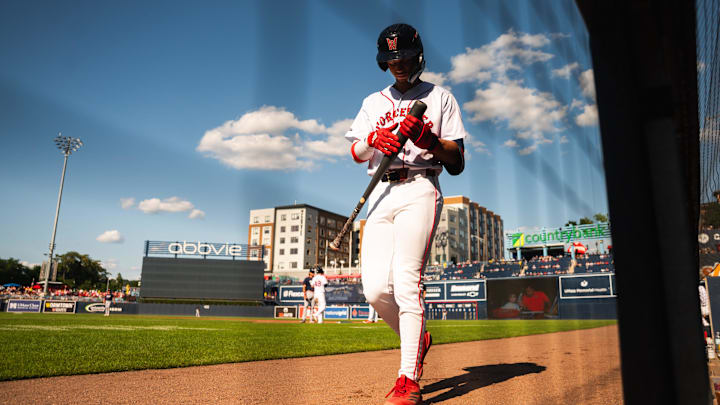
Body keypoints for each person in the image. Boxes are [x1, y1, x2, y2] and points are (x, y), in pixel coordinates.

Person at [344, 23, 466, 405]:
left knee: (407, 280)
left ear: (419, 54)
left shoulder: (440, 97)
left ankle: (407, 379)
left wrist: (427, 140)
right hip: (380, 191)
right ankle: (419, 339)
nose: (398, 65)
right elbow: (355, 153)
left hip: (419, 186)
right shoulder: (372, 102)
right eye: (390, 59)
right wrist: (371, 141)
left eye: (404, 58)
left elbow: (458, 161)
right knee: (376, 289)